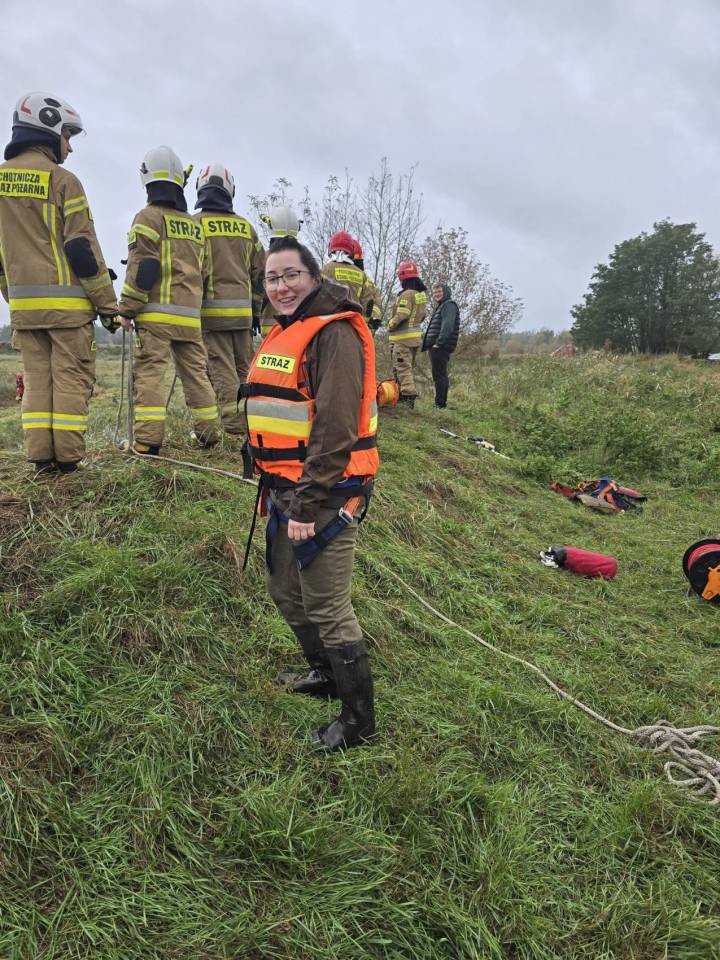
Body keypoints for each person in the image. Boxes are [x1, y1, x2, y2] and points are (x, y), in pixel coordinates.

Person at [241, 236, 379, 751]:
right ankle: (324, 673)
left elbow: (335, 427)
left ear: (314, 278)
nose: (281, 287)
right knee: (285, 590)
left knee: (327, 606)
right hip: (282, 491)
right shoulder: (284, 331)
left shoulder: (334, 334)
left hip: (324, 495)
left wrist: (306, 503)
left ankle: (358, 722)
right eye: (272, 278)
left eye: (291, 275)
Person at [0, 92, 118, 475]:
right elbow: (81, 250)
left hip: (25, 313)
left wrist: (15, 298)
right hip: (69, 314)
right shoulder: (63, 181)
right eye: (67, 136)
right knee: (69, 382)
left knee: (36, 385)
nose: (69, 147)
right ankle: (68, 465)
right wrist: (108, 306)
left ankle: (41, 462)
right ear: (47, 129)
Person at [117, 146, 220, 454]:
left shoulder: (147, 217)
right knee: (196, 376)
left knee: (149, 375)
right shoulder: (194, 225)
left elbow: (143, 267)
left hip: (155, 318)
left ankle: (147, 443)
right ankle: (209, 435)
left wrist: (127, 309)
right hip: (189, 319)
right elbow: (203, 271)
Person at [194, 163, 265, 438]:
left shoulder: (195, 224)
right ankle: (252, 422)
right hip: (243, 316)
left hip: (211, 315)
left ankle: (234, 428)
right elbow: (261, 275)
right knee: (245, 369)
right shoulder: (246, 228)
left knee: (221, 369)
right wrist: (256, 312)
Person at [387, 260, 427, 407]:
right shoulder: (420, 295)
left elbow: (402, 314)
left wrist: (391, 324)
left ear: (403, 277)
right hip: (414, 339)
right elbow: (422, 316)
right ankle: (401, 395)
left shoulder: (407, 294)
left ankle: (408, 398)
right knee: (406, 368)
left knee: (402, 368)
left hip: (402, 340)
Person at [257, 206, 301, 337]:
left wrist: (254, 315)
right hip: (297, 329)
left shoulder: (264, 258)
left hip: (271, 329)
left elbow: (259, 291)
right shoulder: (304, 260)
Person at [422, 283, 460, 408]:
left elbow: (448, 325)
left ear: (446, 292)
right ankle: (440, 403)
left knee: (439, 375)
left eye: (439, 292)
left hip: (440, 346)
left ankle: (440, 404)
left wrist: (439, 343)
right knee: (439, 374)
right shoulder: (442, 306)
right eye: (435, 292)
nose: (436, 294)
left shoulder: (449, 305)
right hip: (437, 346)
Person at [352, 240, 383, 332]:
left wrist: (373, 317)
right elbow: (377, 301)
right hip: (361, 329)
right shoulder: (367, 280)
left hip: (352, 327)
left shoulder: (367, 281)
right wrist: (373, 318)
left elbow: (376, 302)